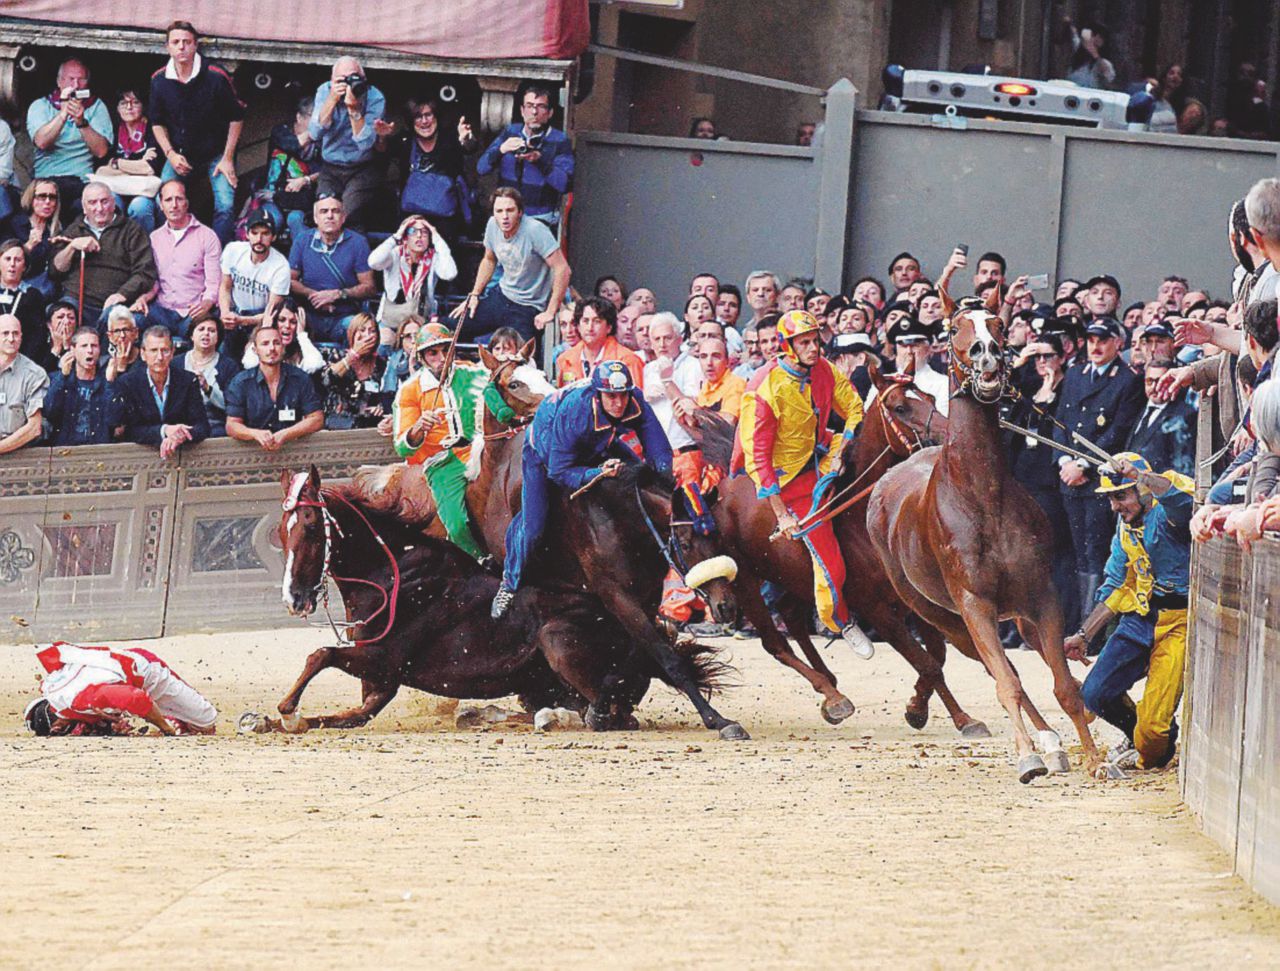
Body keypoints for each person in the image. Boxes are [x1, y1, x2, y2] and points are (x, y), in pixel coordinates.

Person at [735, 310, 874, 657]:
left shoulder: (824, 369)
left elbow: (854, 408)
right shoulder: (762, 390)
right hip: (789, 480)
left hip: (824, 454)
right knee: (831, 564)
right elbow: (758, 459)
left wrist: (845, 445)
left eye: (815, 341)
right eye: (805, 343)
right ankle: (839, 619)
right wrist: (781, 514)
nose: (814, 349)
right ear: (787, 347)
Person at [491, 360, 672, 617]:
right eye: (611, 396)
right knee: (534, 528)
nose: (619, 403)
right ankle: (509, 583)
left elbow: (658, 444)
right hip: (545, 454)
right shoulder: (576, 413)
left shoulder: (635, 400)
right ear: (598, 395)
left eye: (623, 395)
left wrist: (662, 479)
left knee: (641, 482)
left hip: (599, 441)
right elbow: (559, 471)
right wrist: (597, 473)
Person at [1066, 454, 1192, 771]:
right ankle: (1139, 738)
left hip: (1177, 623)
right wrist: (1084, 635)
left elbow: (1185, 504)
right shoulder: (1124, 527)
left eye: (1121, 495)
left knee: (1153, 733)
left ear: (1142, 490)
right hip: (1139, 620)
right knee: (1094, 693)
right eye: (1110, 498)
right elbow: (1116, 583)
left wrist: (1143, 475)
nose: (1115, 507)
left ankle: (1151, 746)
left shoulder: (1166, 513)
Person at [394, 322, 514, 561]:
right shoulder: (410, 390)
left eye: (446, 350)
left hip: (482, 450)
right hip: (443, 462)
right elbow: (401, 445)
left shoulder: (475, 374)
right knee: (456, 524)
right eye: (433, 353)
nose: (441, 358)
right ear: (422, 358)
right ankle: (480, 562)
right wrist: (418, 430)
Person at [1054, 316, 1145, 624]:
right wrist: (1063, 460)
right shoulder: (1076, 373)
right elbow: (1061, 423)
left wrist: (1082, 464)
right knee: (1078, 550)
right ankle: (1078, 619)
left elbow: (1118, 431)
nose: (1096, 346)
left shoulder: (1126, 380)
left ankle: (1090, 626)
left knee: (1096, 551)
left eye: (1103, 340)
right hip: (1069, 476)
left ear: (1118, 344)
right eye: (1091, 340)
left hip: (1097, 479)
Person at [148, 21, 245, 244]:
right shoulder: (159, 80)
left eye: (186, 42)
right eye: (176, 42)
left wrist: (228, 158)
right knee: (161, 201)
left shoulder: (215, 76)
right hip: (179, 153)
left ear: (195, 45)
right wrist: (170, 154)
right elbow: (157, 122)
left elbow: (237, 116)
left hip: (217, 153)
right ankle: (168, 249)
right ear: (167, 47)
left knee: (225, 205)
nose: (181, 47)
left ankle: (218, 258)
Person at [453, 187, 570, 346]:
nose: (504, 217)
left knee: (520, 357)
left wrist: (550, 311)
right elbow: (489, 259)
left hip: (529, 306)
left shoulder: (535, 230)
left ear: (520, 212)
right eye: (499, 211)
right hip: (502, 296)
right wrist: (474, 294)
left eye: (510, 210)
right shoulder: (492, 225)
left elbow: (562, 268)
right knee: (450, 327)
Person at [25, 641, 216, 736]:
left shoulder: (81, 699)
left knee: (207, 723)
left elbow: (136, 699)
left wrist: (166, 729)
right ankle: (167, 715)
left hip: (147, 672)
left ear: (59, 726)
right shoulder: (50, 687)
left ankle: (175, 720)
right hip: (117, 675)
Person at [49, 182, 157, 329]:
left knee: (125, 320)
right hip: (77, 302)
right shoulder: (74, 230)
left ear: (113, 203)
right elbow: (55, 270)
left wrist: (121, 295)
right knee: (63, 316)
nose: (99, 208)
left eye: (104, 201)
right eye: (92, 203)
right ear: (84, 207)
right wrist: (72, 246)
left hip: (115, 303)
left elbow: (145, 273)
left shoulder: (132, 230)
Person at [476, 83, 574, 226]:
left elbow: (564, 184)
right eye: (529, 106)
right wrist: (501, 150)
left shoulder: (559, 140)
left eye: (541, 107)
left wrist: (540, 160)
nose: (534, 112)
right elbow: (481, 168)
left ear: (550, 113)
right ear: (522, 111)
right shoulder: (511, 132)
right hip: (507, 216)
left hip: (540, 218)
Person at [137, 180, 220, 342]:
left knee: (202, 330)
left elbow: (214, 283)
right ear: (161, 205)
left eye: (179, 199)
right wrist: (143, 298)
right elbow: (155, 282)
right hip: (162, 310)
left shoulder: (207, 236)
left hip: (193, 311)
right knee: (132, 320)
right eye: (168, 200)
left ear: (187, 203)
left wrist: (206, 304)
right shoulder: (155, 238)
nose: (174, 205)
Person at [308, 58, 386, 230]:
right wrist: (332, 99)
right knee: (324, 214)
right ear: (332, 80)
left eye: (354, 78)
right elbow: (314, 133)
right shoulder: (324, 91)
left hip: (361, 167)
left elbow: (365, 143)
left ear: (363, 79)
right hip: (330, 167)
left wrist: (353, 109)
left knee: (347, 215)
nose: (349, 84)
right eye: (342, 79)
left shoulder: (375, 97)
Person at [288, 194, 375, 345]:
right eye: (324, 211)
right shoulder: (302, 240)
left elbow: (369, 287)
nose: (329, 216)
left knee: (360, 331)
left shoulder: (358, 243)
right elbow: (290, 280)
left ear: (343, 217)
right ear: (315, 218)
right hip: (309, 315)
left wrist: (338, 294)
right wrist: (315, 296)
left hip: (344, 315)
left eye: (335, 211)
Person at [26, 59, 112, 211]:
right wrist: (63, 114)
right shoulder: (40, 105)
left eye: (81, 80)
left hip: (82, 180)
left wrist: (81, 122)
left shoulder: (96, 106)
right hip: (47, 180)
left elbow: (101, 152)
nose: (75, 85)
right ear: (59, 82)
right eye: (71, 79)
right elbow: (41, 142)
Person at [224, 324, 324, 450]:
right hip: (253, 452)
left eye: (276, 343)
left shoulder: (300, 378)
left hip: (293, 449)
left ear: (283, 347)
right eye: (265, 344)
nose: (271, 348)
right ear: (255, 350)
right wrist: (255, 434)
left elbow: (317, 419)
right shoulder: (241, 382)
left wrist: (286, 434)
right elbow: (232, 425)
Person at [116, 325, 210, 457]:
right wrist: (164, 430)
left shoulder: (188, 380)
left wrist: (180, 435)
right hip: (141, 456)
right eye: (154, 350)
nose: (159, 357)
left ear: (172, 353)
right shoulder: (129, 382)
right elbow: (129, 431)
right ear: (143, 354)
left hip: (181, 455)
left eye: (164, 350)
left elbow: (203, 427)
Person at [391, 97, 472, 240]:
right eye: (418, 116)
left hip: (446, 217)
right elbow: (382, 154)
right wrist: (381, 139)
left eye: (428, 115)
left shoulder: (450, 138)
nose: (424, 121)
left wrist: (465, 139)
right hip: (412, 213)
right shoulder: (405, 141)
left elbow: (470, 147)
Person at [369, 214, 457, 346]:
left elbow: (450, 273)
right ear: (405, 236)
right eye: (412, 231)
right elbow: (373, 262)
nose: (419, 236)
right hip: (392, 320)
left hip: (420, 322)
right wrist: (396, 236)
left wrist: (437, 237)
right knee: (384, 340)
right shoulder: (394, 254)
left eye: (425, 232)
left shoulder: (433, 257)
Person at [219, 211, 290, 359]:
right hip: (234, 311)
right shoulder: (233, 250)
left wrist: (243, 321)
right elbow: (225, 287)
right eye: (255, 233)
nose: (259, 239)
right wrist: (225, 313)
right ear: (246, 234)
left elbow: (272, 311)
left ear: (274, 236)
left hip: (261, 318)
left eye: (265, 234)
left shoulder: (281, 266)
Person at [644, 313, 703, 483]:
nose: (662, 344)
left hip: (685, 451)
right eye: (657, 339)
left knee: (690, 505)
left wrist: (667, 383)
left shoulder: (693, 365)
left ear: (679, 339)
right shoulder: (648, 369)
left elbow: (692, 408)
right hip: (657, 455)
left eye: (667, 338)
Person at [98, 87, 164, 232]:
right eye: (123, 103)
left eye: (135, 103)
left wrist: (117, 163)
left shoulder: (152, 130)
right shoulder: (113, 130)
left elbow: (149, 168)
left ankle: (142, 250)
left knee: (139, 207)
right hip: (118, 189)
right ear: (117, 108)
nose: (129, 107)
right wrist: (137, 166)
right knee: (108, 204)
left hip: (144, 192)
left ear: (143, 106)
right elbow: (101, 170)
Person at [259, 96, 319, 242]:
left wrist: (305, 180)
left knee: (296, 219)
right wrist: (316, 130)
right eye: (314, 117)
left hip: (300, 201)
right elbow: (292, 145)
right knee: (272, 221)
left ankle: (301, 262)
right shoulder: (281, 132)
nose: (318, 122)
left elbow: (326, 172)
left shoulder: (321, 144)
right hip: (272, 196)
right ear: (299, 117)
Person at [44, 325, 118, 445]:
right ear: (73, 350)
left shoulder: (106, 380)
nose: (90, 350)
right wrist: (62, 378)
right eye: (84, 346)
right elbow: (49, 413)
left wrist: (110, 383)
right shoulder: (57, 378)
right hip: (65, 449)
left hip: (99, 450)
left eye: (94, 346)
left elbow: (115, 421)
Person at [1126, 357, 1196, 477]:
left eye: (1160, 381)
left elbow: (1182, 464)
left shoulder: (1185, 414)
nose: (1154, 387)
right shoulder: (1135, 408)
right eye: (1149, 381)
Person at [554, 297, 643, 388]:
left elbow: (637, 400)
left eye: (597, 321)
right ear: (578, 326)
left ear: (609, 327)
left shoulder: (628, 359)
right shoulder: (565, 359)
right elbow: (561, 398)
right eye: (585, 321)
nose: (590, 328)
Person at [318, 313, 387, 429]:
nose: (367, 335)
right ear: (352, 333)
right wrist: (353, 355)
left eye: (372, 331)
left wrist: (379, 408)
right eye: (362, 330)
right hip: (337, 424)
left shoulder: (380, 363)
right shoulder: (336, 356)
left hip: (367, 426)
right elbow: (327, 380)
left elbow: (384, 397)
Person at [176, 317, 239, 436]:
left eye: (211, 330)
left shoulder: (229, 366)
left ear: (218, 337)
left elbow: (231, 405)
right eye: (201, 329)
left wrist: (207, 388)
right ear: (192, 336)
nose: (206, 333)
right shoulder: (176, 363)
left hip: (214, 423)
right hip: (182, 421)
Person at [0, 313, 48, 453]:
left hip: (21, 456)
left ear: (21, 337)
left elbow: (34, 428)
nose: (11, 339)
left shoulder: (35, 374)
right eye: (5, 333)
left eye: (15, 333)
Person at [8, 179, 62, 298]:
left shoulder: (58, 229)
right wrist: (28, 246)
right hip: (18, 285)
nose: (47, 202)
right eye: (42, 197)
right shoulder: (15, 223)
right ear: (31, 199)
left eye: (52, 197)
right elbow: (5, 262)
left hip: (48, 288)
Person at [242, 299, 324, 374]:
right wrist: (265, 329)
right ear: (273, 322)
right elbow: (249, 364)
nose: (287, 325)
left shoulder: (302, 349)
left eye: (293, 322)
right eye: (282, 320)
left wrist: (302, 336)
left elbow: (315, 365)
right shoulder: (260, 345)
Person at [0, 238, 47, 360]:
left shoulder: (33, 296)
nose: (12, 264)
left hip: (21, 360)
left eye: (18, 260)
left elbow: (37, 336)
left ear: (25, 266)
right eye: (7, 259)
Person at [695, 334, 746, 420]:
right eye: (703, 357)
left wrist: (695, 412)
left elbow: (729, 421)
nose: (709, 363)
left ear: (727, 361)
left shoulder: (736, 383)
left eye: (716, 356)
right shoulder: (706, 386)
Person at [103, 305, 141, 382]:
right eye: (117, 331)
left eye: (126, 330)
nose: (122, 335)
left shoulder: (145, 359)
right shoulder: (105, 364)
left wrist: (121, 368)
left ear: (136, 333)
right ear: (110, 337)